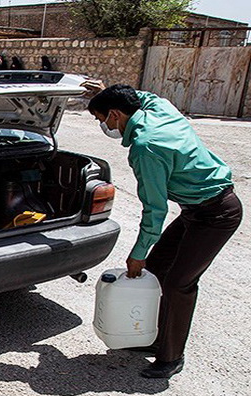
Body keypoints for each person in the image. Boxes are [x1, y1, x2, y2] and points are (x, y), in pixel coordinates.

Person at [87, 84, 242, 379]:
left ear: (116, 115)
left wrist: (137, 254)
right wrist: (107, 90)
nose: (102, 125)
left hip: (217, 214)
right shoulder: (162, 111)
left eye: (101, 118)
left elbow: (154, 210)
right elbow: (144, 97)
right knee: (158, 270)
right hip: (195, 210)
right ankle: (153, 336)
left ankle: (171, 357)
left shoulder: (145, 148)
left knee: (179, 284)